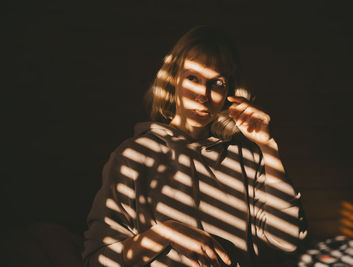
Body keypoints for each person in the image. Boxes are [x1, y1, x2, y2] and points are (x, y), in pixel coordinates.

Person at [82, 25, 307, 267]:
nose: (203, 93)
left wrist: (269, 147)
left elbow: (288, 240)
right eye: (192, 78)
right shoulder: (133, 156)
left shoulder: (246, 157)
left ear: (229, 91)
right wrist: (166, 232)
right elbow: (98, 261)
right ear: (173, 80)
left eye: (217, 83)